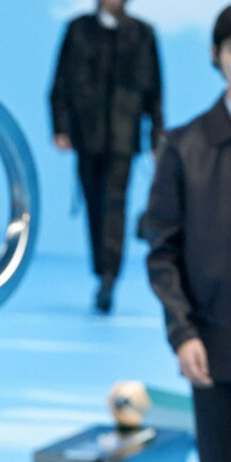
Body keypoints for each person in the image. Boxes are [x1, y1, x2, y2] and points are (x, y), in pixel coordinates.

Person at [142, 8, 231, 462]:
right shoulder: (186, 145)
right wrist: (182, 331)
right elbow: (163, 249)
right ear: (218, 54)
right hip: (215, 349)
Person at [50, 0, 164, 313]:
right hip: (87, 134)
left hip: (123, 137)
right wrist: (60, 127)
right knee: (94, 205)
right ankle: (102, 271)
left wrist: (156, 137)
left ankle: (109, 278)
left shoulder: (143, 34)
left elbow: (155, 92)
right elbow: (60, 81)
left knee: (115, 204)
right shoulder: (78, 30)